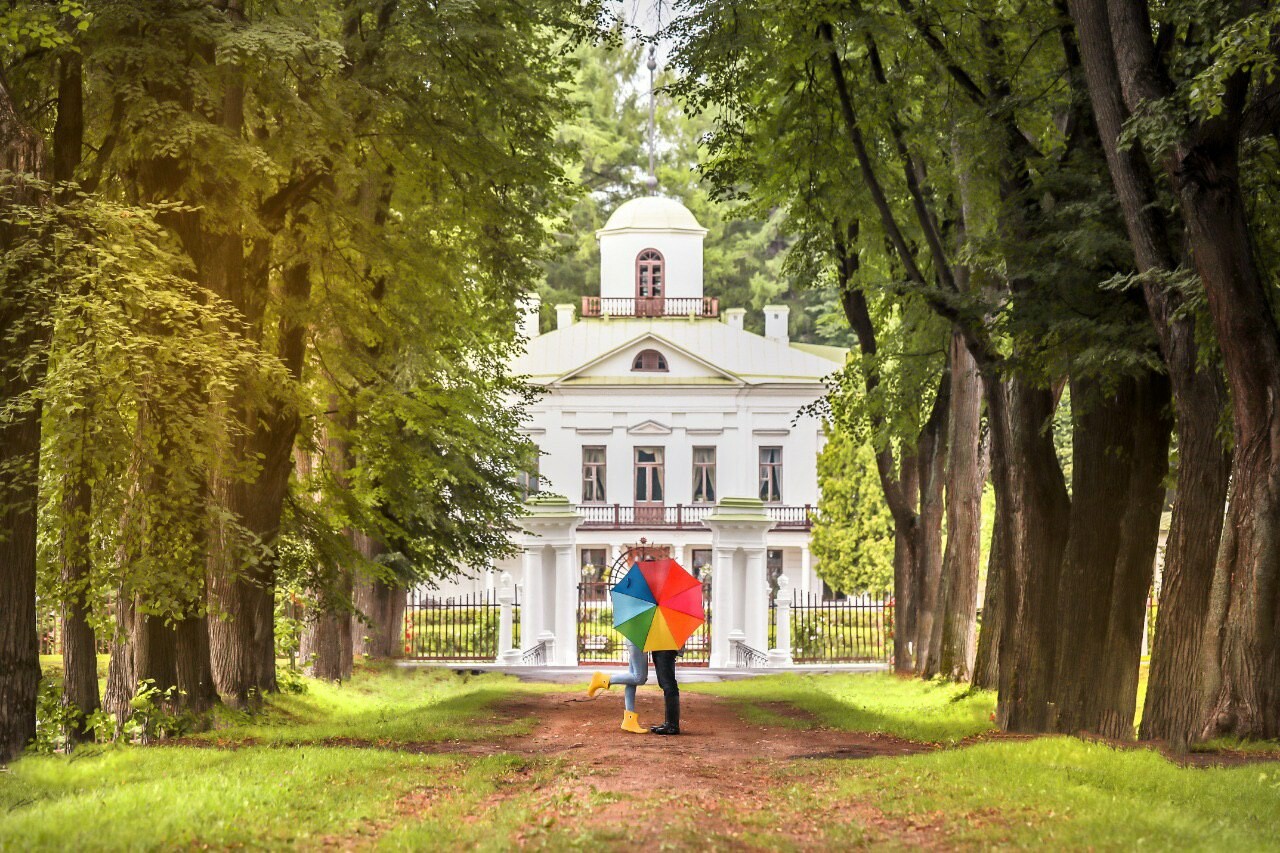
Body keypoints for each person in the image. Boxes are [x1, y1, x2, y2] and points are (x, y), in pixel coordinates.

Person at [586, 639, 649, 733]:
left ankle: (629, 721)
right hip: (638, 641)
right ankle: (603, 679)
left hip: (637, 641)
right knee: (639, 678)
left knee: (632, 680)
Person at [649, 648, 680, 735]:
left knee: (668, 683)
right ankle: (669, 723)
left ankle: (672, 725)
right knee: (666, 683)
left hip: (664, 649)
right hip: (662, 648)